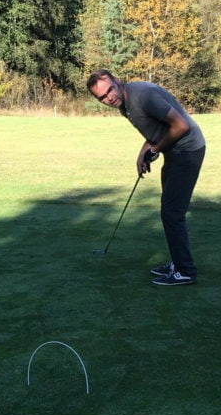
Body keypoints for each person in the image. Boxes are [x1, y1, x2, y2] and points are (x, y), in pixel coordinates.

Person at [86, 69, 206, 286]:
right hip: (175, 152)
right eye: (102, 97)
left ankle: (185, 271)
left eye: (110, 90)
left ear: (117, 81)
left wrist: (155, 150)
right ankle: (178, 263)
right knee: (169, 210)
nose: (109, 98)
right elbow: (156, 130)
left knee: (172, 213)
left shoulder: (144, 96)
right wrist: (142, 154)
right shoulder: (124, 104)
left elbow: (181, 125)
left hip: (187, 151)